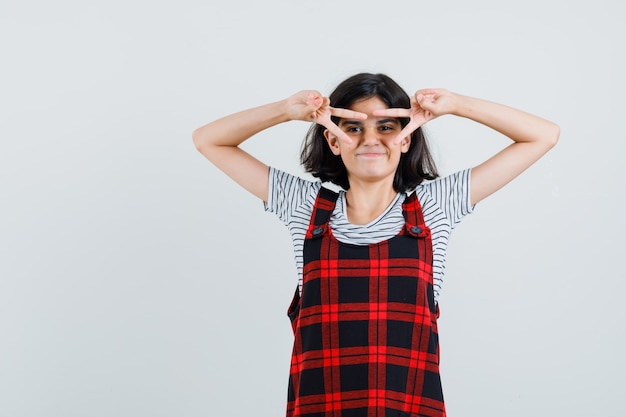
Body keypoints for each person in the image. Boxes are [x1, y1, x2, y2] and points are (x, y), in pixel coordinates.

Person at [192, 73, 559, 417]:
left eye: (386, 127)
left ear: (407, 138)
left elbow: (543, 135)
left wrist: (456, 104)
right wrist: (286, 111)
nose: (371, 140)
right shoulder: (303, 206)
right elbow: (208, 139)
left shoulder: (435, 205)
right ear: (332, 140)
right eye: (353, 128)